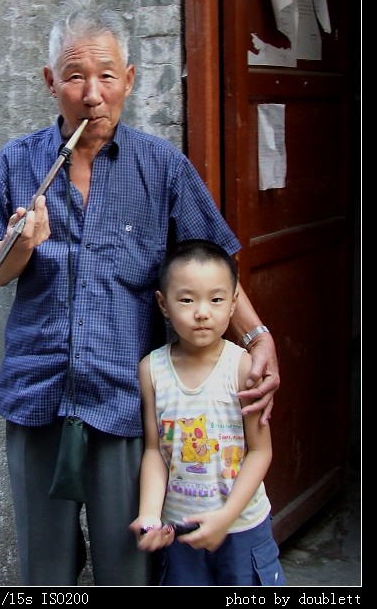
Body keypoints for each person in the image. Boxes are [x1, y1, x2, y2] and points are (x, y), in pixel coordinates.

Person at [0, 0, 280, 586]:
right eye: (75, 77)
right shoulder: (18, 162)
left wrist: (259, 335)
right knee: (45, 569)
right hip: (39, 396)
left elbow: (215, 265)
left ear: (129, 80)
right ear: (49, 81)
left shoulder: (160, 165)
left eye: (107, 76)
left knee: (126, 568)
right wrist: (20, 243)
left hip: (125, 405)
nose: (92, 94)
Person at [129, 239, 285, 586]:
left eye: (216, 300)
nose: (202, 312)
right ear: (163, 304)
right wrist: (150, 514)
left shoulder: (242, 367)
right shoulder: (151, 370)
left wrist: (226, 517)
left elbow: (261, 451)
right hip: (182, 533)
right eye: (187, 299)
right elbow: (156, 451)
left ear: (233, 305)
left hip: (242, 528)